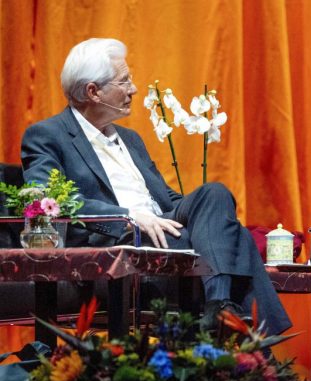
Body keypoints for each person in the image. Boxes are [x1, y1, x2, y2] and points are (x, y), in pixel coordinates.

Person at [20, 38, 291, 336]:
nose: (134, 89)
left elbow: (165, 200)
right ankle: (252, 338)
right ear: (93, 92)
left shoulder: (131, 138)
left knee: (214, 194)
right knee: (236, 236)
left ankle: (220, 304)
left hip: (163, 227)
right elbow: (52, 199)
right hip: (118, 241)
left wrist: (210, 218)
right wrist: (130, 216)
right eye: (125, 81)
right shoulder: (47, 136)